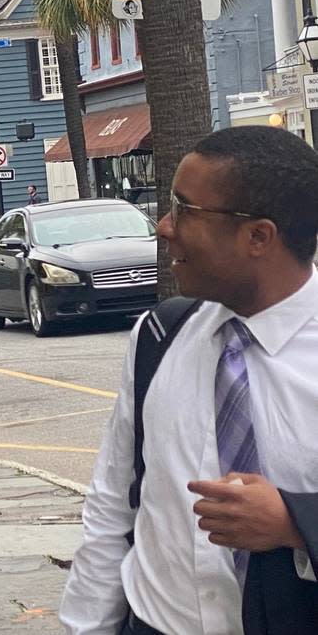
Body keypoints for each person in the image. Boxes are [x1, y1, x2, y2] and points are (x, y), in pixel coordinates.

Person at [60, 126, 318, 635]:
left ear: (258, 237)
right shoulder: (160, 336)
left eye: (184, 211)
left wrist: (296, 525)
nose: (164, 227)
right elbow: (114, 505)